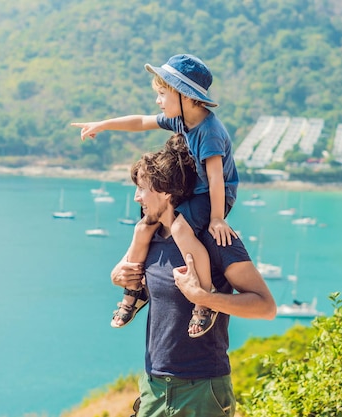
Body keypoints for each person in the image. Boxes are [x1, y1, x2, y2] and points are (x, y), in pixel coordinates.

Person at [71, 54, 238, 335]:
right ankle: (135, 291)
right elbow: (140, 121)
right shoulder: (181, 120)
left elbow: (216, 177)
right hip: (194, 190)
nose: (158, 101)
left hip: (213, 194)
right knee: (144, 226)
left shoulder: (208, 131)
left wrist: (218, 218)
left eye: (162, 94)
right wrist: (103, 124)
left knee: (182, 230)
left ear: (185, 96)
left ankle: (204, 300)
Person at [113, 137, 276, 417]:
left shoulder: (213, 239)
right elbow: (129, 276)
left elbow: (266, 307)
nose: (136, 197)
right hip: (154, 386)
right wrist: (119, 275)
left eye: (142, 189)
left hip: (203, 389)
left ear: (164, 192)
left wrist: (205, 298)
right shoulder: (149, 237)